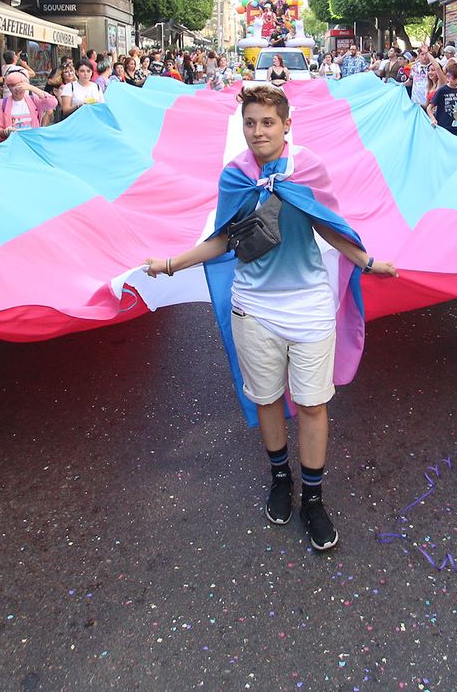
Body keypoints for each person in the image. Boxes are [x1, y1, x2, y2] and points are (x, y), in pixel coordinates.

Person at [143, 86, 398, 551]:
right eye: (250, 123)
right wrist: (171, 263)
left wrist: (366, 261)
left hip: (308, 305)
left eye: (267, 122)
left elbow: (327, 223)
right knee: (266, 398)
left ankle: (314, 500)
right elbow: (222, 240)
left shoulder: (309, 168)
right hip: (254, 307)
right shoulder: (234, 176)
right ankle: (281, 479)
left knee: (314, 404)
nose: (258, 131)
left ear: (286, 125)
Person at [0, 70, 56, 141]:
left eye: (21, 86)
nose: (18, 90)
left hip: (32, 142)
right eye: (13, 86)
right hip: (14, 144)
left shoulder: (34, 100)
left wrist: (32, 88)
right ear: (9, 87)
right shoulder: (2, 104)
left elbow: (53, 102)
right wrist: (5, 132)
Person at [426, 61, 457, 136]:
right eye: (455, 79)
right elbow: (429, 108)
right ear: (448, 77)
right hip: (443, 129)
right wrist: (433, 119)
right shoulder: (442, 90)